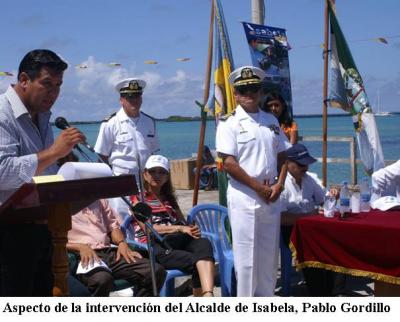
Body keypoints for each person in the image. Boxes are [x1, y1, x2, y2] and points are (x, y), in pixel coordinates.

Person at [0, 49, 85, 296]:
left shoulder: (44, 116)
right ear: (24, 80)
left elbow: (44, 172)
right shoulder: (3, 113)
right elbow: (2, 171)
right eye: (47, 84)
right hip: (7, 233)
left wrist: (67, 168)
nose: (54, 93)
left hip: (45, 227)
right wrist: (54, 152)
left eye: (58, 86)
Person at [215, 66, 291, 296]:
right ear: (236, 94)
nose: (249, 93)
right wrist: (258, 187)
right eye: (243, 90)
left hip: (271, 193)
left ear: (260, 91)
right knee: (246, 257)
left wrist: (280, 184)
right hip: (245, 194)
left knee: (269, 255)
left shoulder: (271, 120)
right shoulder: (229, 123)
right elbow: (229, 163)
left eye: (254, 88)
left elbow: (283, 156)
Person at [129, 155, 215, 297]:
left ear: (167, 177)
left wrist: (190, 228)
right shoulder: (138, 199)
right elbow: (148, 229)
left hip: (175, 241)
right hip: (155, 245)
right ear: (145, 174)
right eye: (153, 171)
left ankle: (208, 295)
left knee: (204, 244)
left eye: (162, 172)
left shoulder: (168, 198)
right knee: (198, 262)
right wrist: (179, 228)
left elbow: (182, 222)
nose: (157, 175)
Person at [67, 198, 166, 296]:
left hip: (108, 251)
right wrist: (79, 247)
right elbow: (54, 240)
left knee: (155, 271)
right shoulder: (60, 205)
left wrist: (122, 243)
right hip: (81, 255)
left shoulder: (99, 200)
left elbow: (113, 227)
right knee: (102, 280)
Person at [94, 78, 159, 221]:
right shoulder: (110, 123)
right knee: (123, 221)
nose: (134, 101)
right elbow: (101, 157)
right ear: (121, 100)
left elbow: (153, 154)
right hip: (121, 182)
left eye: (137, 96)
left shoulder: (149, 122)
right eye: (130, 97)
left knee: (149, 222)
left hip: (145, 182)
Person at [279, 144, 324, 247]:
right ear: (287, 163)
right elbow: (281, 218)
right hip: (290, 234)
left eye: (307, 164)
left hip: (311, 230)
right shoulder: (281, 184)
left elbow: (324, 200)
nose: (306, 168)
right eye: (301, 164)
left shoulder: (310, 179)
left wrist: (333, 195)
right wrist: (309, 216)